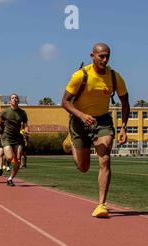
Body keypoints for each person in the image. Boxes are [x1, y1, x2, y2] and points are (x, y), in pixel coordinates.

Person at [61, 43, 129, 218]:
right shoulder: (80, 75)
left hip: (102, 121)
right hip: (79, 121)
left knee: (105, 157)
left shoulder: (115, 77)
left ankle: (101, 205)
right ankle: (71, 143)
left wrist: (123, 127)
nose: (105, 60)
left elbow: (125, 102)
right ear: (93, 56)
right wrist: (82, 115)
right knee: (83, 167)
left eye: (107, 56)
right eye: (101, 56)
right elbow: (65, 102)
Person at [0, 94, 29, 186]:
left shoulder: (22, 113)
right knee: (9, 158)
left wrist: (26, 130)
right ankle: (5, 164)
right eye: (13, 98)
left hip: (18, 137)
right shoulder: (5, 112)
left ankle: (10, 178)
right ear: (10, 101)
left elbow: (25, 125)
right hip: (7, 137)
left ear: (18, 100)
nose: (15, 99)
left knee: (17, 159)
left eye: (16, 98)